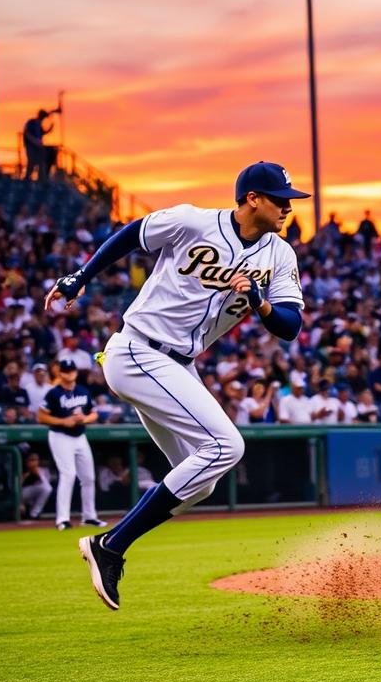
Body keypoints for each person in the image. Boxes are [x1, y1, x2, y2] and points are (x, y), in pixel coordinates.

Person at [44, 161, 309, 610]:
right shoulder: (193, 221)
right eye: (280, 198)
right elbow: (133, 233)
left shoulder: (280, 256)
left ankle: (110, 545)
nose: (287, 207)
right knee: (227, 446)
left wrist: (260, 304)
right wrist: (79, 278)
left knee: (201, 479)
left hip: (178, 365)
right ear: (252, 199)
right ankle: (111, 546)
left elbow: (290, 326)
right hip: (137, 350)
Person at [37, 360, 106, 530]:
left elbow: (94, 414)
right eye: (66, 371)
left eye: (72, 370)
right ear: (60, 373)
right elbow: (41, 417)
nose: (70, 373)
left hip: (79, 436)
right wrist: (63, 421)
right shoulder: (53, 393)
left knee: (89, 477)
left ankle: (89, 517)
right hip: (60, 436)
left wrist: (85, 419)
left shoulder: (83, 391)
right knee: (68, 474)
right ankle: (63, 519)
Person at [22, 108, 59, 181]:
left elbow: (43, 133)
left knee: (41, 162)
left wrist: (50, 129)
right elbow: (27, 133)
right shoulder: (32, 122)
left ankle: (41, 178)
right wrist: (34, 140)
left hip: (38, 147)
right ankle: (27, 177)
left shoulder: (39, 125)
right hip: (31, 147)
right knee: (31, 162)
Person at [21, 451, 53, 521]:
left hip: (35, 496)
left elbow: (47, 486)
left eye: (36, 460)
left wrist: (38, 474)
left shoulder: (43, 470)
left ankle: (34, 514)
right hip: (22, 495)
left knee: (47, 488)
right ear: (26, 461)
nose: (34, 462)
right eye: (31, 460)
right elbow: (16, 487)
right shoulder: (20, 467)